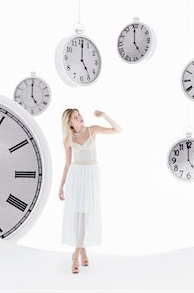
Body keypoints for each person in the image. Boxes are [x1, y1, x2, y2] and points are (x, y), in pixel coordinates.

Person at [59, 109, 122, 274]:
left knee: (86, 213)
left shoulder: (92, 130)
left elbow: (118, 130)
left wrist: (105, 116)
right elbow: (67, 164)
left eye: (79, 115)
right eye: (75, 117)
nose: (80, 118)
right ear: (70, 123)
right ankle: (81, 250)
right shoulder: (68, 140)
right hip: (76, 176)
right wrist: (61, 185)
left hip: (91, 175)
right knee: (78, 213)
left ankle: (77, 252)